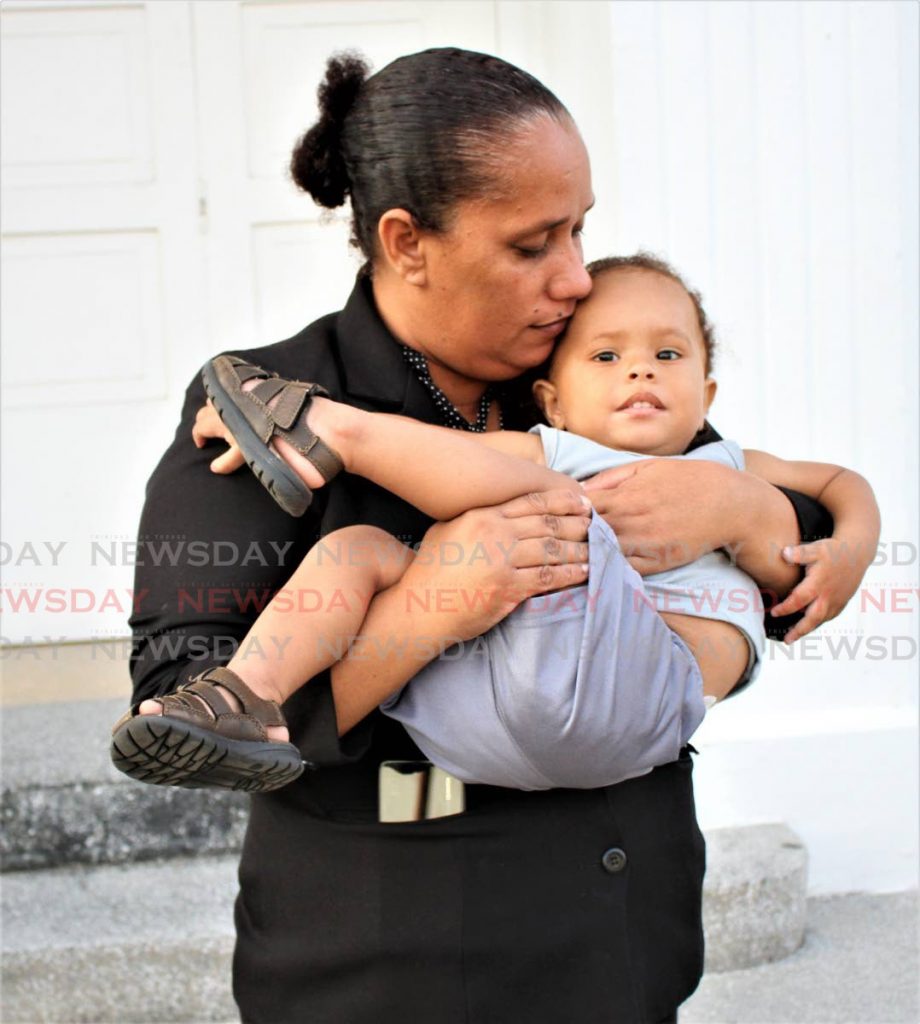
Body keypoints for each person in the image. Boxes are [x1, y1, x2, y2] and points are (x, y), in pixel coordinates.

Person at [123, 48, 842, 1023]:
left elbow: (769, 531)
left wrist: (742, 513)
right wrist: (424, 611)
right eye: (532, 243)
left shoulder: (582, 366)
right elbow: (180, 696)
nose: (575, 276)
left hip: (622, 923)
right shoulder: (269, 406)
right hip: (390, 958)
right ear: (405, 241)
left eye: (578, 230)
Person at [112, 253, 879, 795]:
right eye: (606, 356)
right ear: (550, 396)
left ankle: (336, 432)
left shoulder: (731, 457)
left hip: (642, 693)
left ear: (706, 390)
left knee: (525, 482)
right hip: (476, 708)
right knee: (365, 549)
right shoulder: (559, 443)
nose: (640, 371)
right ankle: (244, 694)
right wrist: (433, 594)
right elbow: (454, 470)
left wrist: (849, 544)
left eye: (668, 354)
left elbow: (841, 484)